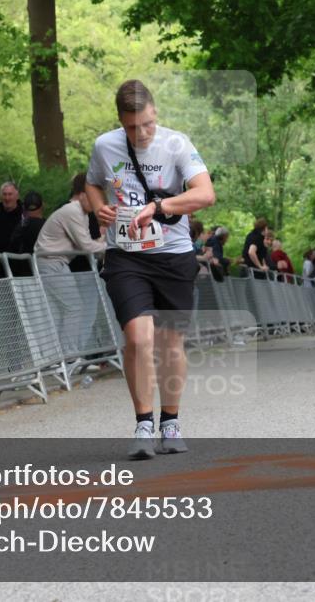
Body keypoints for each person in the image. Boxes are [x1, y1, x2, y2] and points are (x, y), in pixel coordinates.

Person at [85, 79, 215, 459]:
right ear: (119, 122)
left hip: (173, 254)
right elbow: (93, 184)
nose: (140, 134)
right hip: (127, 255)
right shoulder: (104, 147)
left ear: (155, 113)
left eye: (146, 124)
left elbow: (205, 194)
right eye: (131, 127)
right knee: (139, 338)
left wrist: (160, 208)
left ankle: (170, 422)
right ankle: (143, 424)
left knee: (170, 341)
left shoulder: (178, 143)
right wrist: (98, 207)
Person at [35, 174, 105, 274]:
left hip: (59, 261)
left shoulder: (82, 213)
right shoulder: (73, 211)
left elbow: (87, 244)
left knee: (71, 290)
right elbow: (86, 246)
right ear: (84, 193)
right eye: (94, 195)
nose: (96, 200)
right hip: (51, 261)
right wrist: (111, 246)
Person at [7, 190, 45, 276]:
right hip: (43, 275)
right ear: (43, 205)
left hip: (21, 278)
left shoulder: (19, 227)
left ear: (24, 207)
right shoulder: (48, 226)